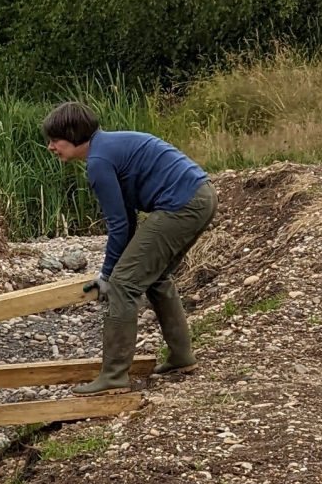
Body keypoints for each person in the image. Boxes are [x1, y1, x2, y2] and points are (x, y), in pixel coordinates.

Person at [42, 102, 217, 394]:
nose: (50, 147)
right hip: (201, 196)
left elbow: (119, 226)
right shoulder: (106, 149)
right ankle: (181, 357)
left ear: (73, 135)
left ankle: (113, 376)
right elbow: (127, 220)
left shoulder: (98, 161)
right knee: (154, 276)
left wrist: (107, 275)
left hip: (182, 204)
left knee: (123, 285)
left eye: (55, 140)